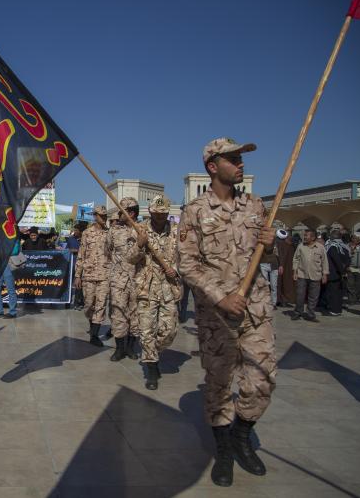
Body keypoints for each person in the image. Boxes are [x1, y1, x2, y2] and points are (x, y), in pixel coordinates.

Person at [178, 137, 277, 487]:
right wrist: (221, 297)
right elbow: (187, 264)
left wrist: (270, 246)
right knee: (219, 385)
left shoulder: (256, 206)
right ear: (212, 166)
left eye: (241, 158)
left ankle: (241, 435)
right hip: (216, 315)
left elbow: (269, 259)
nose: (241, 164)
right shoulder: (194, 211)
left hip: (256, 309)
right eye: (232, 158)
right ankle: (223, 450)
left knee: (263, 379)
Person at [136, 196, 180, 389]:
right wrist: (139, 244)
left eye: (164, 214)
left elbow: (187, 256)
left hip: (169, 288)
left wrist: (176, 269)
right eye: (157, 213)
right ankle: (151, 368)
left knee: (169, 330)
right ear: (150, 211)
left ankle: (154, 351)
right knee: (146, 331)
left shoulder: (176, 231)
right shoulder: (139, 229)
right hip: (146, 288)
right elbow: (129, 258)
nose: (160, 217)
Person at [105, 198, 146, 361]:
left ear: (131, 213)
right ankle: (119, 348)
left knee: (135, 315)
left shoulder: (143, 230)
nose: (119, 214)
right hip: (119, 280)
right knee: (118, 314)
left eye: (122, 212)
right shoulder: (114, 230)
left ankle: (130, 347)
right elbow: (107, 250)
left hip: (138, 279)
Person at [74, 205, 109, 347]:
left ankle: (94, 334)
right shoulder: (87, 233)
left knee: (101, 305)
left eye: (105, 216)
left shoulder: (110, 233)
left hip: (105, 275)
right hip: (88, 275)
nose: (104, 218)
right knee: (89, 305)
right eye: (101, 216)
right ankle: (92, 323)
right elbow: (81, 255)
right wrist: (78, 275)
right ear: (95, 216)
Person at [292, 229, 329, 322]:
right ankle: (298, 312)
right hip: (302, 274)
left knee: (313, 297)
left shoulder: (320, 247)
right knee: (300, 295)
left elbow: (325, 262)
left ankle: (310, 314)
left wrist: (325, 274)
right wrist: (295, 272)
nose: (304, 237)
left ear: (313, 237)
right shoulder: (300, 246)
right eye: (304, 235)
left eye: (306, 235)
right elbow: (296, 259)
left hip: (316, 275)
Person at [0, 239, 20, 319]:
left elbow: (15, 250)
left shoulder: (13, 236)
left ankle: (12, 312)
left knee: (10, 289)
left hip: (8, 264)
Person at [323, 229, 349, 316]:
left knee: (333, 292)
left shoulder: (332, 247)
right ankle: (338, 309)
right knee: (339, 292)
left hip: (333, 273)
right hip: (341, 272)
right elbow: (348, 259)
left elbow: (336, 260)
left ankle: (334, 310)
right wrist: (344, 271)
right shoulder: (344, 247)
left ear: (332, 236)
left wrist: (341, 271)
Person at [66, 224, 84, 310]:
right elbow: (66, 251)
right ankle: (67, 302)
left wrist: (79, 250)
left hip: (82, 266)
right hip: (72, 265)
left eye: (77, 230)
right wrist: (70, 250)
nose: (75, 232)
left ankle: (78, 303)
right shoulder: (70, 239)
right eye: (75, 230)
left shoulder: (85, 239)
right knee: (69, 284)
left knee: (79, 285)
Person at [259, 235, 280, 308]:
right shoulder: (260, 241)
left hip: (274, 264)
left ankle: (273, 303)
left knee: (274, 286)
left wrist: (280, 265)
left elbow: (277, 254)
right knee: (264, 285)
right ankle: (264, 302)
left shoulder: (275, 243)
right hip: (263, 263)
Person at [276, 230, 295, 307]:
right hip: (286, 267)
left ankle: (282, 300)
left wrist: (281, 265)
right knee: (285, 284)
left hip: (283, 267)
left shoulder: (282, 244)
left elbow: (282, 255)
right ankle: (284, 300)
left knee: (281, 283)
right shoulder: (287, 245)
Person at [347, 232, 360, 305]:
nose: (353, 239)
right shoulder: (348, 246)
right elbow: (345, 256)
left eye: (355, 238)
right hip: (350, 268)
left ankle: (357, 299)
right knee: (350, 285)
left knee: (359, 285)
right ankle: (351, 300)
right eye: (352, 237)